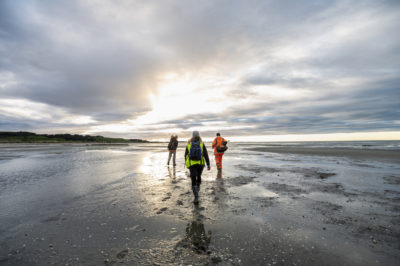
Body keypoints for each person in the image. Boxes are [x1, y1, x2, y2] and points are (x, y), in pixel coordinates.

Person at [184, 131, 210, 204]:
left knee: (193, 179)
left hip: (192, 164)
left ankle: (196, 197)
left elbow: (185, 155)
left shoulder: (189, 144)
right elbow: (205, 154)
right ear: (199, 136)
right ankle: (198, 187)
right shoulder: (201, 143)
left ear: (192, 136)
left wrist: (187, 164)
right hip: (200, 163)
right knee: (198, 176)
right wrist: (208, 164)